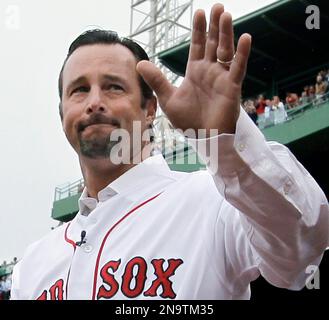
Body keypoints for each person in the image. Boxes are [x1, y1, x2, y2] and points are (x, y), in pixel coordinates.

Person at [11, 4, 328, 300]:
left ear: (150, 109)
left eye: (113, 86)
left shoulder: (212, 199)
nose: (94, 101)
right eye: (79, 90)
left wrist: (227, 139)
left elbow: (300, 251)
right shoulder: (32, 265)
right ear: (62, 111)